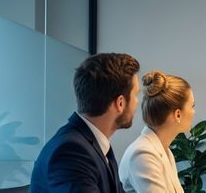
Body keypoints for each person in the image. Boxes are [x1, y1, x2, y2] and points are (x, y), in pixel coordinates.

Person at [31, 53, 140, 193]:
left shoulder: (94, 144)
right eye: (135, 94)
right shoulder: (71, 151)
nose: (137, 102)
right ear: (120, 103)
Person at [119, 70, 195, 193]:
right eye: (192, 106)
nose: (194, 112)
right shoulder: (143, 154)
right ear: (178, 114)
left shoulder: (165, 151)